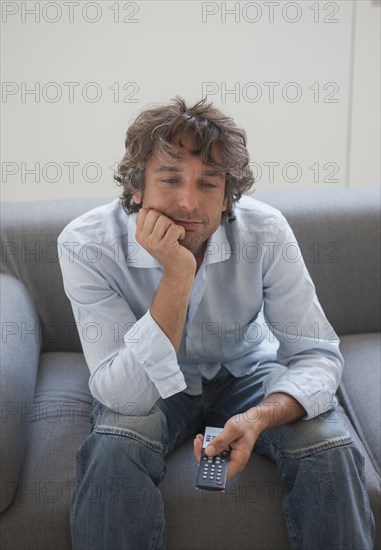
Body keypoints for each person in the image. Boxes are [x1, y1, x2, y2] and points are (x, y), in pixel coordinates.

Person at [58, 97, 375, 550]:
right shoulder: (86, 244)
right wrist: (177, 275)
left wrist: (262, 415)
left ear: (228, 195)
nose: (189, 201)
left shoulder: (266, 232)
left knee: (326, 445)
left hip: (244, 373)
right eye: (170, 179)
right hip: (148, 383)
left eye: (209, 183)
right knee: (115, 443)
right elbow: (123, 395)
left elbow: (315, 353)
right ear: (137, 188)